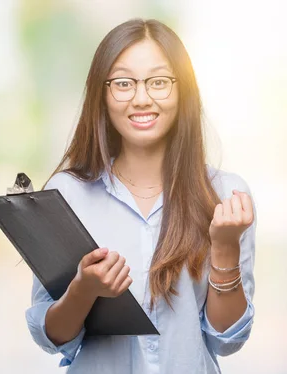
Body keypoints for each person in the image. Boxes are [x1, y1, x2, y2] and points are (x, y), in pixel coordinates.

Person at [25, 18, 256, 374]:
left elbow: (226, 339)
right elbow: (51, 336)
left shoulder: (226, 196)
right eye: (123, 83)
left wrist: (225, 246)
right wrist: (83, 290)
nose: (142, 98)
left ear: (184, 91)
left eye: (159, 82)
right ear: (101, 93)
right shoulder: (66, 193)